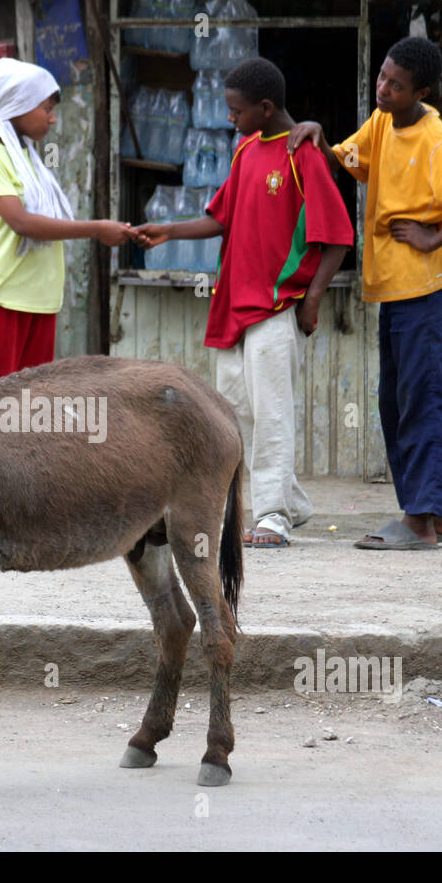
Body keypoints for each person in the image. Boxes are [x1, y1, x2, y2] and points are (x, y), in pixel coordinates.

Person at [134, 58, 353, 548]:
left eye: (235, 110)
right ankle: (284, 502)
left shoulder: (304, 155)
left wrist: (312, 300)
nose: (229, 118)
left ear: (266, 107)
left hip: (278, 306)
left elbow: (338, 236)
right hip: (233, 305)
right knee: (235, 415)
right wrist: (168, 230)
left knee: (272, 412)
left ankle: (273, 514)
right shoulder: (245, 150)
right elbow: (221, 218)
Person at [288, 36, 442, 550]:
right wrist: (313, 132)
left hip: (425, 290)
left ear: (420, 91)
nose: (382, 89)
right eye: (382, 76)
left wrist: (431, 237)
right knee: (396, 402)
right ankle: (441, 512)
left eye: (395, 85)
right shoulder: (383, 123)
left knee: (420, 401)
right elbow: (348, 159)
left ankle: (419, 521)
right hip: (394, 291)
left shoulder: (435, 139)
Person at [0, 57, 134, 382]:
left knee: (27, 409)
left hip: (36, 300)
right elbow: (22, 223)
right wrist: (96, 229)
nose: (52, 120)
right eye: (46, 109)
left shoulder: (25, 156)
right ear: (17, 106)